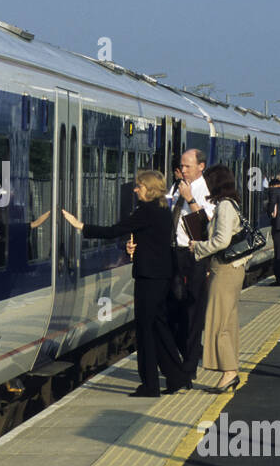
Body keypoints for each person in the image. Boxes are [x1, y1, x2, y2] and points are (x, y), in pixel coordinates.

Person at [62, 170, 181, 398]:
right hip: (161, 276)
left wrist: (81, 226)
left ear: (149, 188)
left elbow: (114, 231)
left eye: (139, 186)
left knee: (145, 331)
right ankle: (177, 377)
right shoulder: (162, 210)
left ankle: (150, 385)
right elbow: (153, 241)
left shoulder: (145, 211)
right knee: (160, 327)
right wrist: (135, 248)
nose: (135, 190)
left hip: (148, 278)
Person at [192, 165, 247, 392]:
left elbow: (222, 240)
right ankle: (230, 369)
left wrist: (198, 247)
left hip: (225, 270)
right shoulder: (230, 204)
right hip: (231, 269)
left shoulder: (224, 206)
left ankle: (229, 372)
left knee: (219, 323)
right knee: (228, 322)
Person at [167, 149, 215, 392]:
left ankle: (188, 368)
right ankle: (187, 356)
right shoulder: (177, 188)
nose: (182, 170)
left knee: (193, 313)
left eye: (187, 166)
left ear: (201, 167)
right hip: (174, 254)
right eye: (181, 166)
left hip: (194, 255)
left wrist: (190, 199)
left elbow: (207, 227)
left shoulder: (205, 191)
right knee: (173, 312)